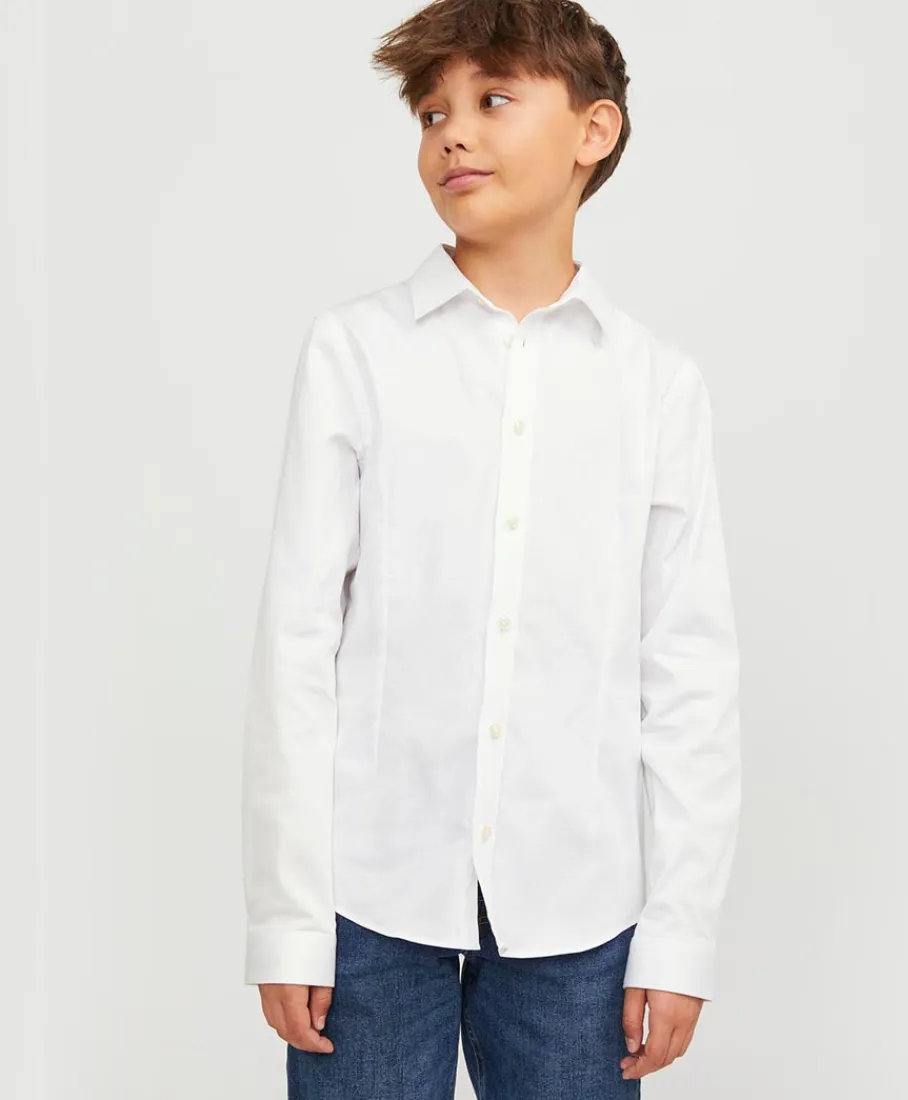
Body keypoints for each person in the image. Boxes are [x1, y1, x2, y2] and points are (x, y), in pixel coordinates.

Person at [241, 1, 742, 1096]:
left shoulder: (656, 387)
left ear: (593, 130)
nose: (452, 133)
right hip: (368, 901)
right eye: (432, 113)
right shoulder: (355, 353)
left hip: (580, 912)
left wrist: (679, 934)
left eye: (493, 98)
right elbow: (297, 643)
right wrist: (288, 915)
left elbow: (687, 674)